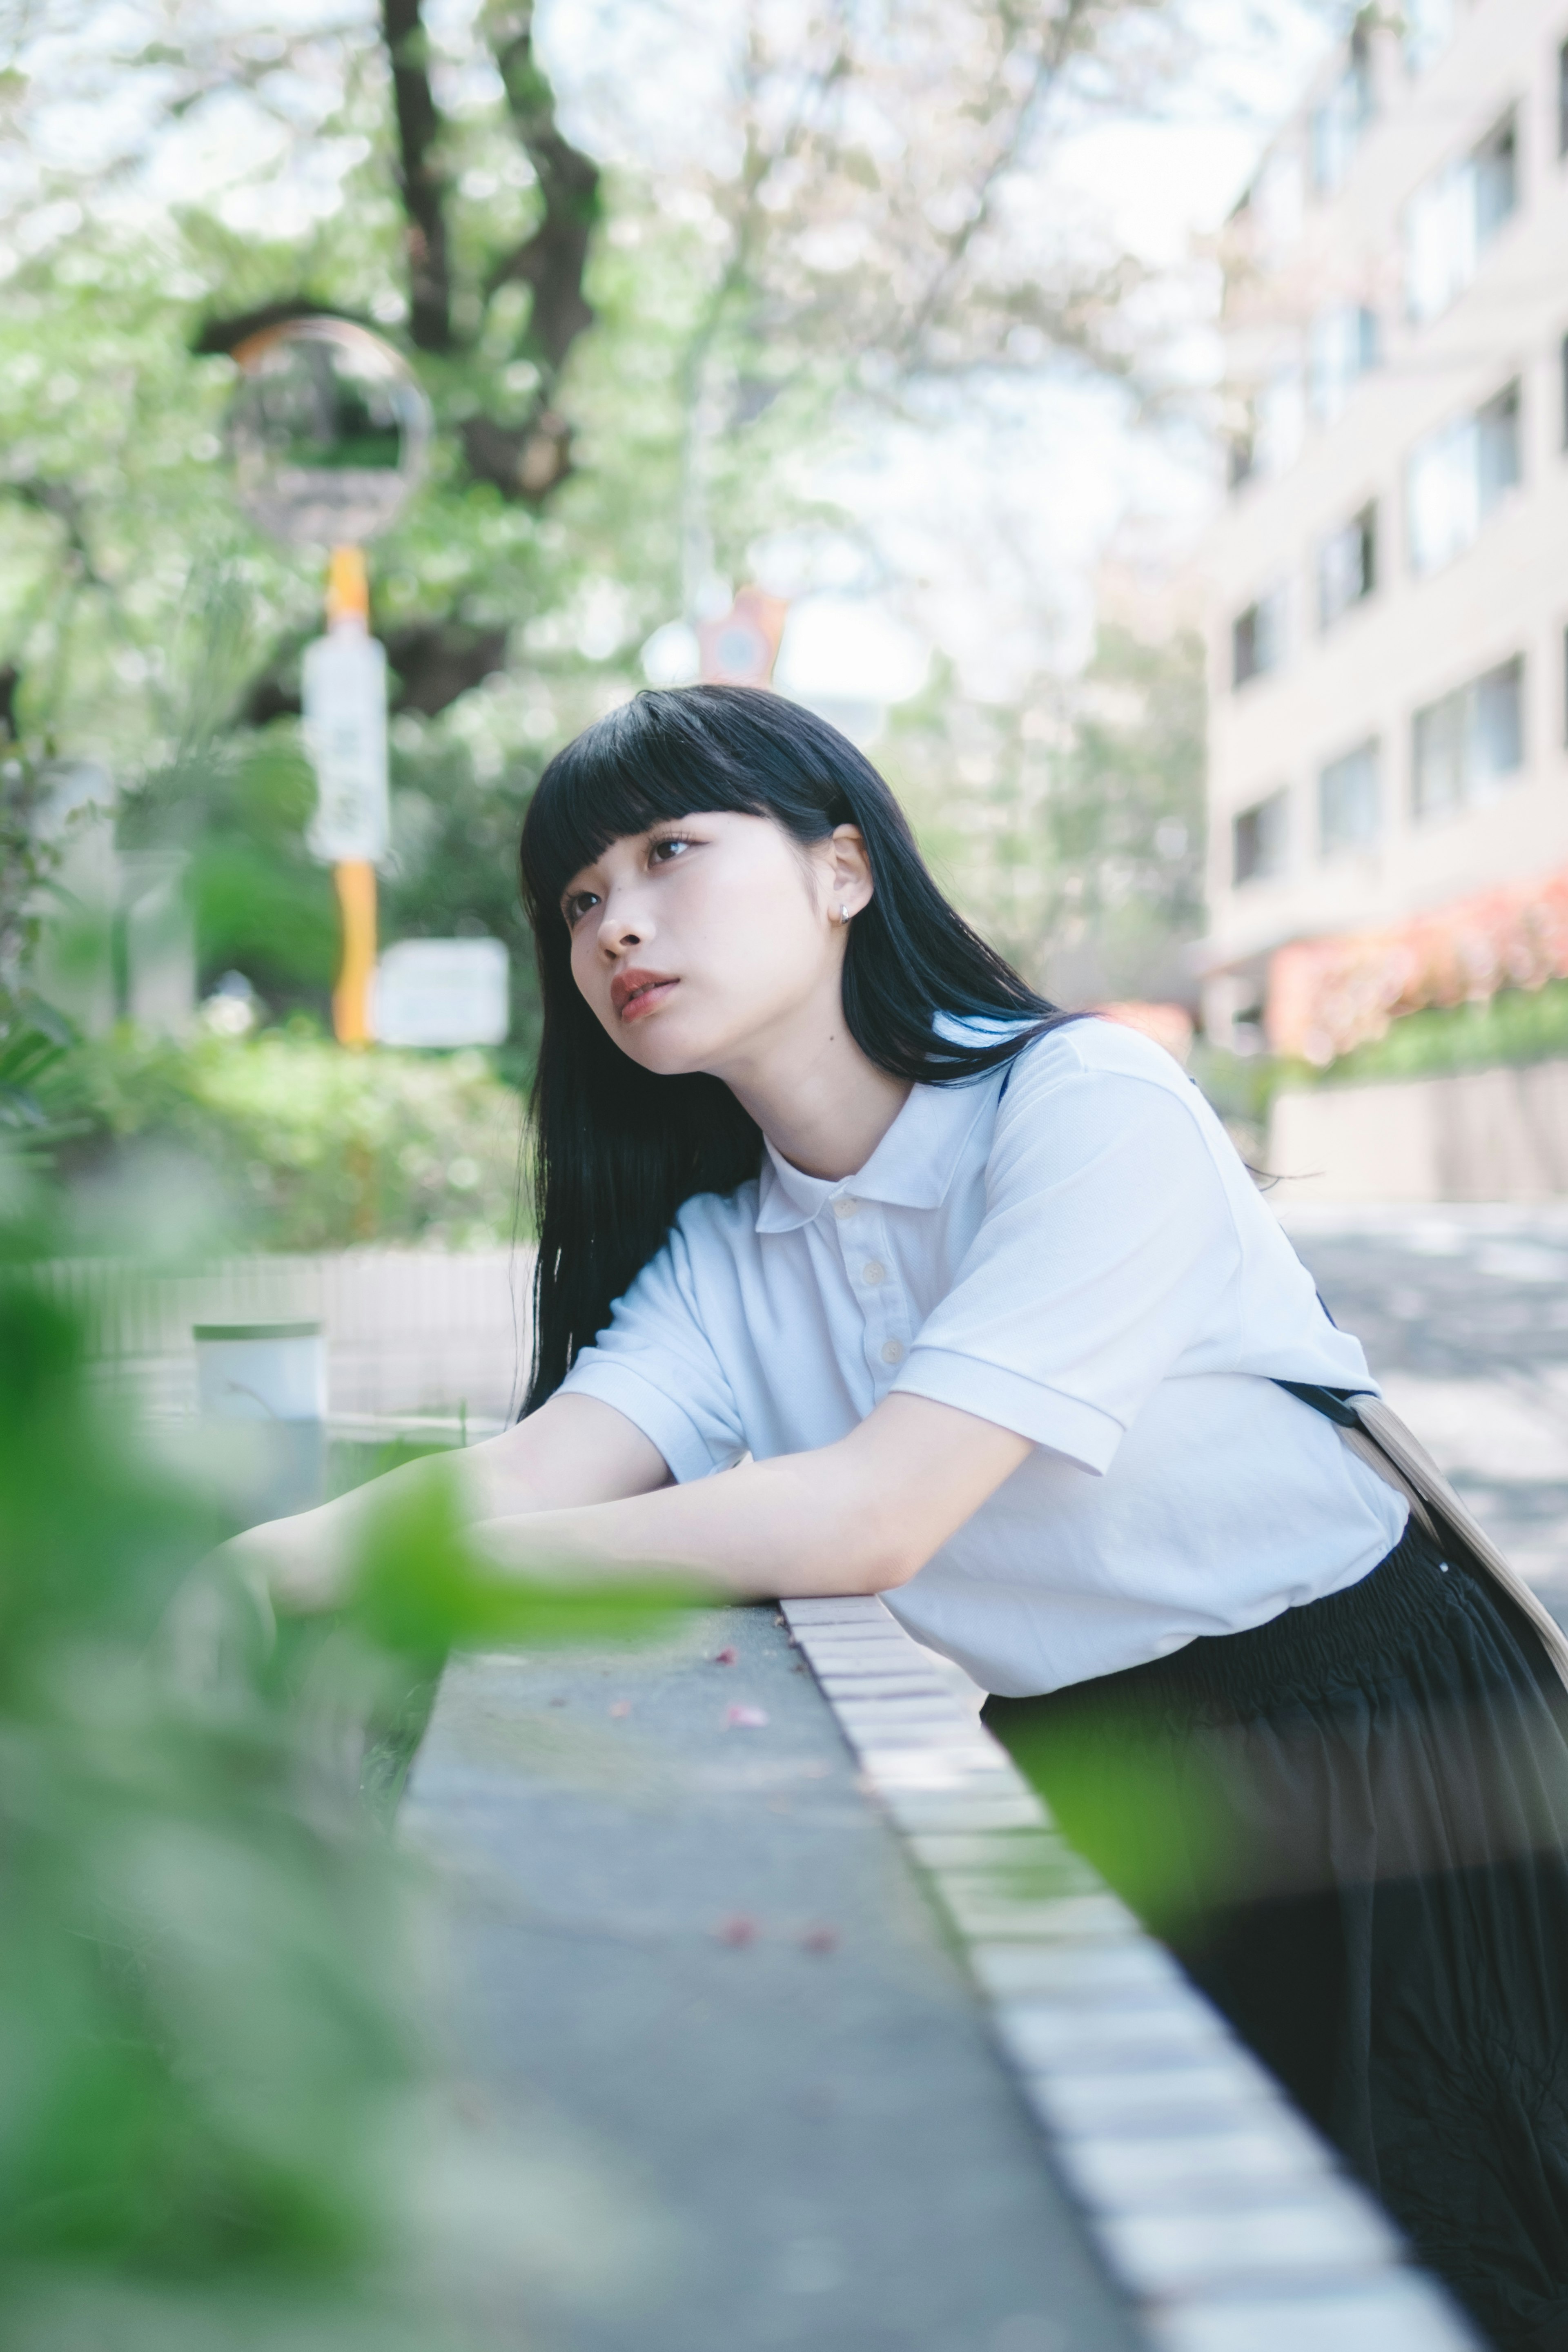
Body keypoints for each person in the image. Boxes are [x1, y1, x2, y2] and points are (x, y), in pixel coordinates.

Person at [240, 684, 1568, 2349]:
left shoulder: (1084, 1105)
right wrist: (256, 1571)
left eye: (669, 853)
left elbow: (878, 1515)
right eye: (577, 901)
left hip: (1390, 1754)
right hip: (1093, 1776)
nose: (617, 924)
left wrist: (429, 1577)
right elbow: (531, 1471)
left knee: (1446, 2269)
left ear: (845, 869)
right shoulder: (735, 1251)